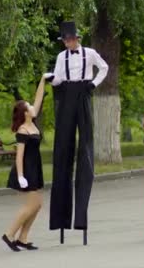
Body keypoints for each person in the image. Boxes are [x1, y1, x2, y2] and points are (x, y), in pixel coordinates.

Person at [47, 21, 109, 245]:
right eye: (65, 39)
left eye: (71, 38)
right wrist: (50, 79)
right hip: (66, 97)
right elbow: (58, 79)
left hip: (83, 93)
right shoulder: (61, 57)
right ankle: (61, 219)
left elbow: (104, 68)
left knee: (85, 148)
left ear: (77, 39)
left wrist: (93, 84)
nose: (68, 42)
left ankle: (81, 217)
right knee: (62, 150)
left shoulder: (90, 53)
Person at [1, 75, 47, 252]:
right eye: (29, 107)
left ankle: (23, 237)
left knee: (38, 204)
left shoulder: (32, 123)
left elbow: (39, 98)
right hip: (26, 170)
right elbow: (19, 156)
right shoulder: (23, 129)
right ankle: (9, 234)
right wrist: (20, 176)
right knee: (31, 205)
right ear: (25, 113)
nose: (32, 107)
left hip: (35, 168)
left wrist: (42, 80)